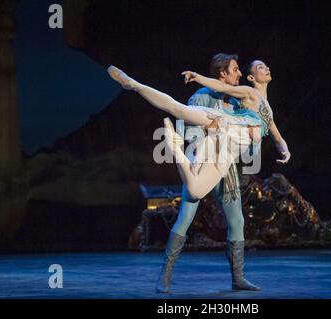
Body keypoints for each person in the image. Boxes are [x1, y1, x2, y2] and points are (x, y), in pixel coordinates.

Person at [107, 57, 290, 293]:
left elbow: (257, 138)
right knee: (185, 217)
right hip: (203, 158)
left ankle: (238, 278)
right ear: (222, 74)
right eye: (235, 70)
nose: (239, 74)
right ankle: (165, 276)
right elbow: (190, 128)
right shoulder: (205, 95)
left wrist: (274, 145)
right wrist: (211, 133)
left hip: (225, 166)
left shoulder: (238, 104)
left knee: (237, 222)